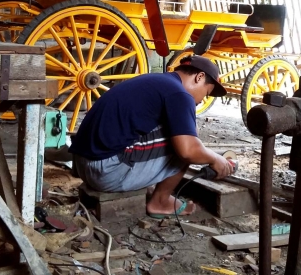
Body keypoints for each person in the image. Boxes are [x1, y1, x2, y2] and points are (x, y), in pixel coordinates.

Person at [69, 55, 234, 218]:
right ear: (199, 77)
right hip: (105, 172)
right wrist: (216, 159)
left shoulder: (155, 81)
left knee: (183, 132)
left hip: (82, 165)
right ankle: (160, 202)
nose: (201, 100)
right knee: (186, 143)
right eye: (206, 93)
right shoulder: (180, 94)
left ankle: (147, 183)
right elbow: (188, 150)